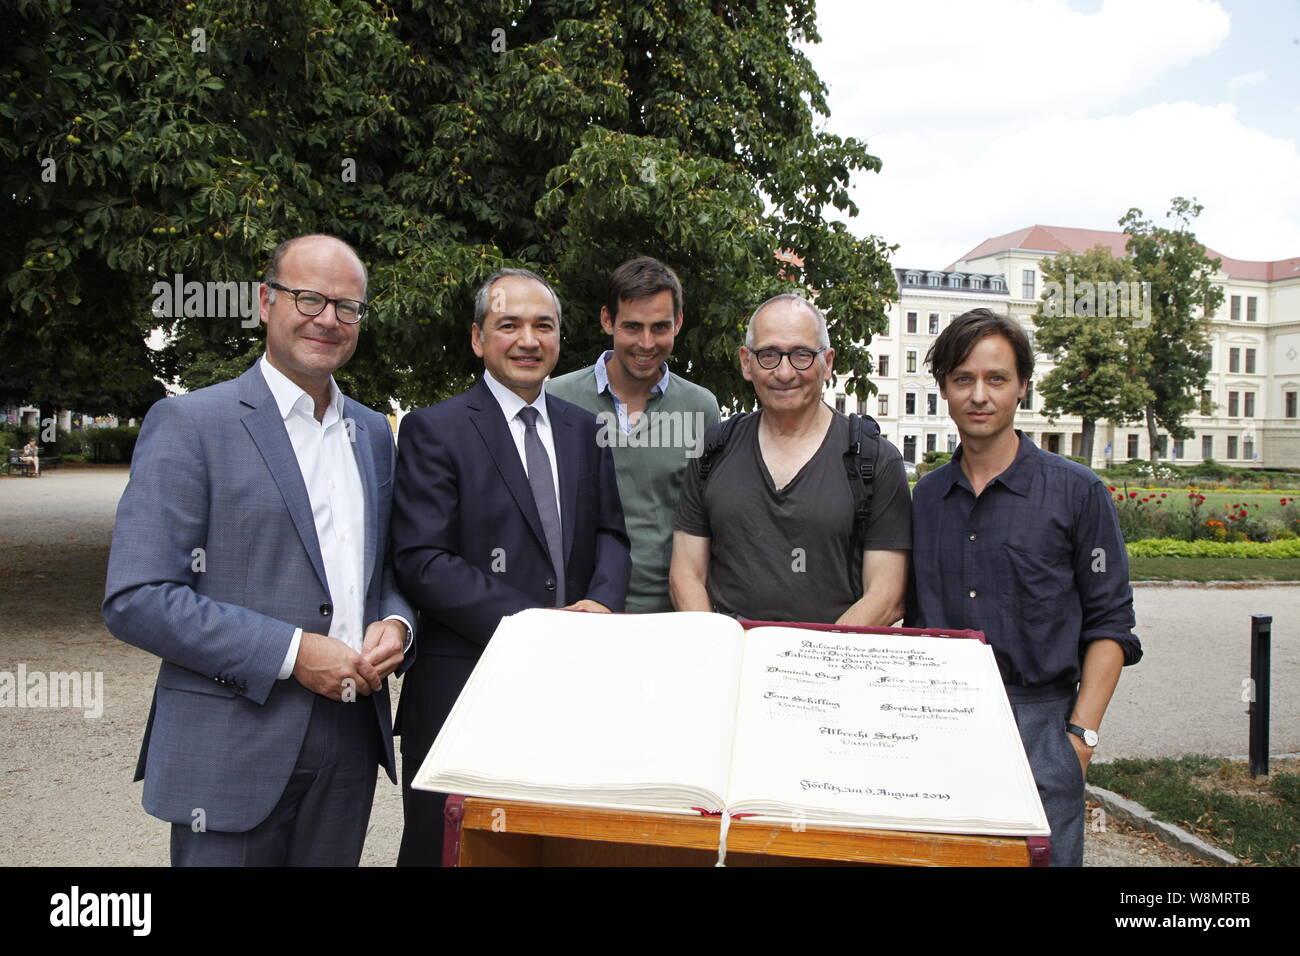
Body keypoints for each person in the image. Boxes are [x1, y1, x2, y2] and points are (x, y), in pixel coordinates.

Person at [102, 234, 415, 866]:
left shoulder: (373, 434)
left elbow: (380, 567)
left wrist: (397, 623)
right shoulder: (190, 424)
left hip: (351, 740)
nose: (328, 319)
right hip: (232, 743)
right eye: (309, 298)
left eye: (347, 307)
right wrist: (294, 653)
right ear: (265, 301)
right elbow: (137, 597)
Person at [392, 267, 631, 866]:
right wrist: (537, 624)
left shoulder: (586, 430)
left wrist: (601, 602)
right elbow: (423, 560)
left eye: (543, 326)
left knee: (552, 845)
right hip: (463, 687)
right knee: (449, 850)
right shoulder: (433, 429)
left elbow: (612, 534)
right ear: (478, 338)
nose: (528, 339)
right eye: (509, 325)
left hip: (570, 680)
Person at [906, 307, 1141, 867]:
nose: (979, 395)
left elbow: (1112, 624)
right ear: (943, 389)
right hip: (940, 725)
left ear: (1022, 388)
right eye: (963, 379)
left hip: (1040, 722)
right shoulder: (925, 500)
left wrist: (1080, 739)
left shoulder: (1077, 493)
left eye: (996, 379)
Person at [670, 293, 911, 625]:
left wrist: (814, 661)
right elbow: (686, 573)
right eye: (769, 355)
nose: (784, 373)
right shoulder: (712, 450)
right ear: (746, 362)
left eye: (802, 355)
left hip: (832, 663)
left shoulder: (875, 460)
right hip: (730, 660)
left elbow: (886, 594)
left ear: (828, 362)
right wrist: (716, 645)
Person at [547, 257, 721, 612]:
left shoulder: (701, 407)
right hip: (580, 609)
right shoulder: (556, 399)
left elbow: (709, 520)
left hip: (670, 612)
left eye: (660, 327)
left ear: (679, 323)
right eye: (632, 326)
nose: (646, 343)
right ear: (607, 321)